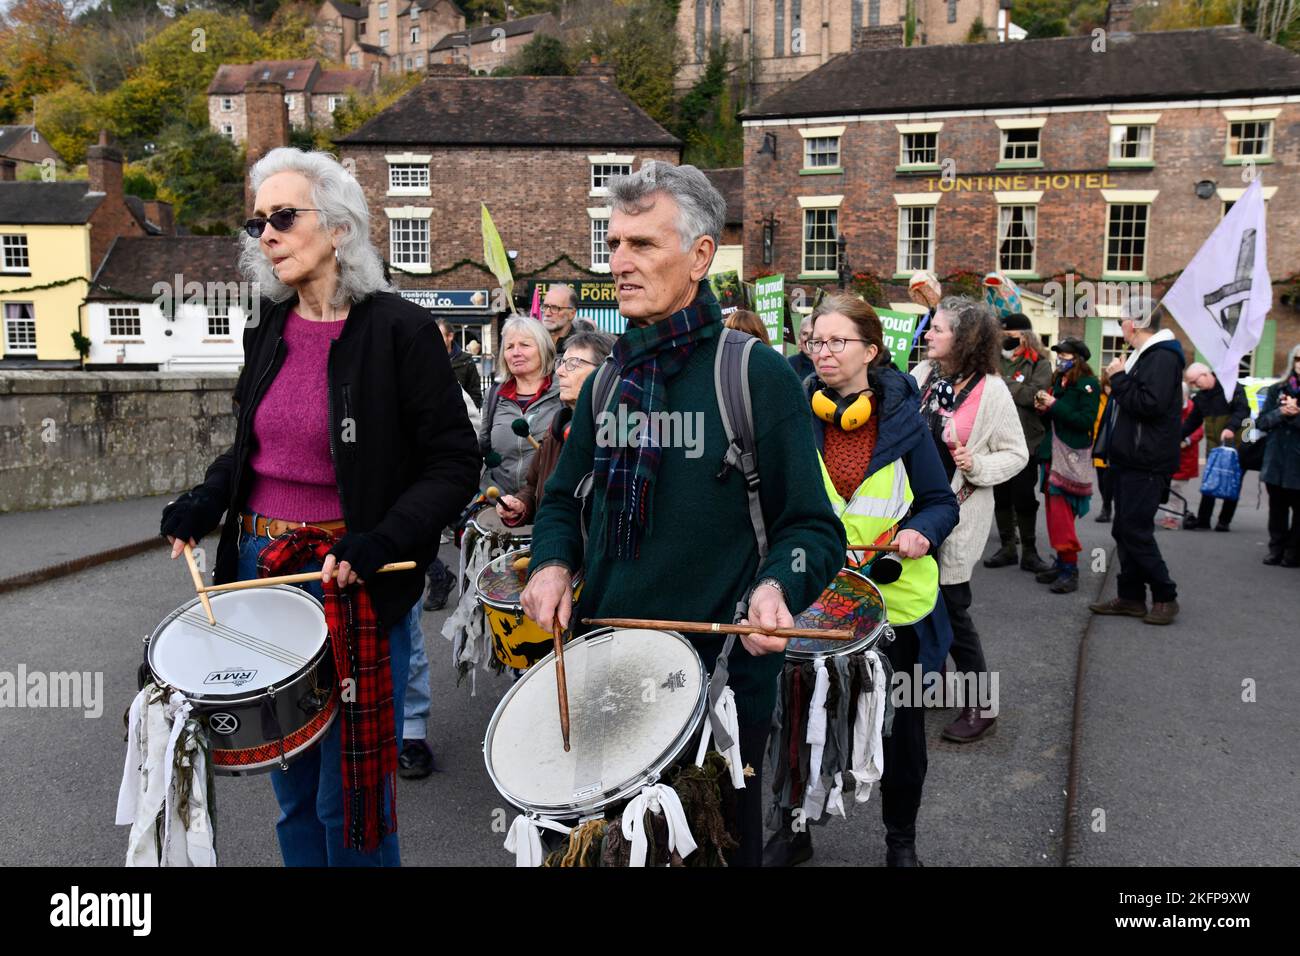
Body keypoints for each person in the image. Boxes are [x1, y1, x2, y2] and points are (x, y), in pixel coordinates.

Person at [159, 147, 480, 865]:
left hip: (352, 579)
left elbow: (454, 461)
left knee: (352, 796)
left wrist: (383, 538)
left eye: (282, 216)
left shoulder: (400, 329)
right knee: (294, 790)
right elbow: (253, 447)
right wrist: (205, 499)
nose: (265, 234)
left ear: (338, 229)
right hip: (261, 570)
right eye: (256, 221)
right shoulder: (269, 328)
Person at [520, 161, 845, 867]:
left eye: (643, 245)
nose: (620, 263)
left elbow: (813, 528)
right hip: (606, 671)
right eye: (614, 245)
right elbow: (559, 504)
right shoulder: (608, 381)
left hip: (720, 683)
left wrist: (776, 588)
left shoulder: (754, 373)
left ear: (700, 257)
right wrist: (551, 564)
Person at [773, 293, 957, 866]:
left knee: (901, 737)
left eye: (837, 342)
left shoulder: (907, 423)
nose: (823, 352)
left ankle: (900, 843)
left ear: (870, 351)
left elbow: (939, 502)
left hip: (894, 610)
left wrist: (922, 532)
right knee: (798, 724)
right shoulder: (796, 419)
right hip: (815, 605)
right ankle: (795, 830)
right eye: (815, 341)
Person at [913, 297, 1026, 743]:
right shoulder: (922, 377)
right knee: (918, 600)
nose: (928, 334)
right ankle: (934, 682)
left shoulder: (992, 392)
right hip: (914, 514)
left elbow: (1016, 453)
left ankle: (982, 703)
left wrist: (975, 463)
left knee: (954, 608)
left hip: (957, 515)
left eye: (937, 329)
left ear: (963, 338)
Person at [1089, 298, 1185, 625]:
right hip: (1133, 458)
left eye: (1122, 322)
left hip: (1147, 460)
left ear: (1135, 324)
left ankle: (1165, 596)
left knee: (1135, 530)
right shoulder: (1152, 356)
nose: (1121, 328)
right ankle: (1130, 597)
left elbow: (1149, 404)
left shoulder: (1162, 357)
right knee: (1125, 529)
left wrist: (1118, 378)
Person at [495, 330, 615, 527]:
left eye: (573, 363)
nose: (559, 371)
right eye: (562, 362)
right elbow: (533, 486)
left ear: (604, 373)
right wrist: (521, 505)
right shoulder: (556, 429)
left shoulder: (616, 434)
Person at [984, 312, 1054, 572]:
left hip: (1027, 440)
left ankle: (1030, 551)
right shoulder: (993, 361)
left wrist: (1000, 383)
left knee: (1024, 497)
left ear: (1025, 336)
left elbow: (1035, 396)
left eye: (1010, 336)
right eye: (1003, 336)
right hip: (996, 439)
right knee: (1001, 496)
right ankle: (1008, 547)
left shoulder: (1040, 364)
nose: (1005, 341)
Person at [1032, 338, 1100, 592]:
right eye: (1059, 354)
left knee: (1062, 516)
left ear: (1078, 358)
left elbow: (1085, 421)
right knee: (1052, 513)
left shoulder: (1088, 384)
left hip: (1069, 456)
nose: (1060, 358)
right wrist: (1044, 407)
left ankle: (1070, 569)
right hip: (1051, 454)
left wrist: (1055, 405)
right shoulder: (1059, 381)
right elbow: (1055, 416)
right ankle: (1061, 562)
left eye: (1065, 354)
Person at [480, 315, 562, 494]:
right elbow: (483, 453)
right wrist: (496, 496)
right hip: (501, 507)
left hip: (548, 505)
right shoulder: (493, 395)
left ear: (543, 349)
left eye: (524, 345)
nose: (516, 352)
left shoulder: (564, 393)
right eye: (509, 347)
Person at [1182, 362, 1251, 531]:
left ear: (1205, 375)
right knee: (1210, 482)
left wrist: (1230, 428)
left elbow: (1243, 410)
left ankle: (1224, 521)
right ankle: (1203, 520)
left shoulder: (1231, 387)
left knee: (1233, 481)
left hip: (1236, 444)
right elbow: (1192, 422)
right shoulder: (1200, 398)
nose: (1193, 386)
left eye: (1193, 381)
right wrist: (1175, 436)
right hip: (1214, 445)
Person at [1258, 344, 1300, 566]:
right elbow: (1262, 422)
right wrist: (1281, 412)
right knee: (1277, 509)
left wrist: (1296, 416)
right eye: (1298, 359)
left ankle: (1293, 552)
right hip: (1276, 459)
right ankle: (1276, 548)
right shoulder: (1277, 389)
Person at [1161, 383, 1203, 530]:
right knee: (1167, 486)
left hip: (1186, 456)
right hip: (1167, 454)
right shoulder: (1169, 407)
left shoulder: (1192, 408)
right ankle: (1169, 514)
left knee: (1177, 487)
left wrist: (1187, 440)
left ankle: (1172, 517)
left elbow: (1199, 430)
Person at [437, 317, 482, 408]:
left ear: (450, 336)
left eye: (439, 336)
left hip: (459, 419)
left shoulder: (467, 361)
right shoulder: (429, 360)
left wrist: (465, 416)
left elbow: (475, 395)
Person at [1093, 372, 1115, 522]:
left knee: (1112, 480)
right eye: (1107, 386)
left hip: (1114, 448)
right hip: (1099, 445)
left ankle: (1109, 506)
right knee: (1102, 480)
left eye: (1111, 387)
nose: (1109, 390)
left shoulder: (1119, 399)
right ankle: (1106, 507)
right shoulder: (1097, 399)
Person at [539, 282, 579, 352]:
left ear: (572, 313)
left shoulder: (581, 347)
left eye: (555, 308)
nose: (547, 313)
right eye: (545, 307)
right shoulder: (533, 341)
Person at [788, 313, 815, 381]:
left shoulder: (827, 362)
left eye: (813, 333)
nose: (808, 338)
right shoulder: (789, 364)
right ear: (799, 337)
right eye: (805, 334)